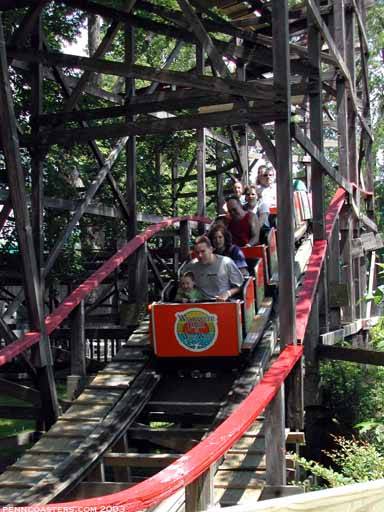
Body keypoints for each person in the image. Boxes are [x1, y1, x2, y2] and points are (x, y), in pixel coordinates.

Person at [183, 236, 243, 301]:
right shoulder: (192, 265)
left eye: (203, 251)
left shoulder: (226, 262)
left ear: (211, 250)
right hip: (200, 302)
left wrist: (228, 293)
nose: (200, 255)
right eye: (197, 253)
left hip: (222, 301)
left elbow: (240, 286)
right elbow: (182, 283)